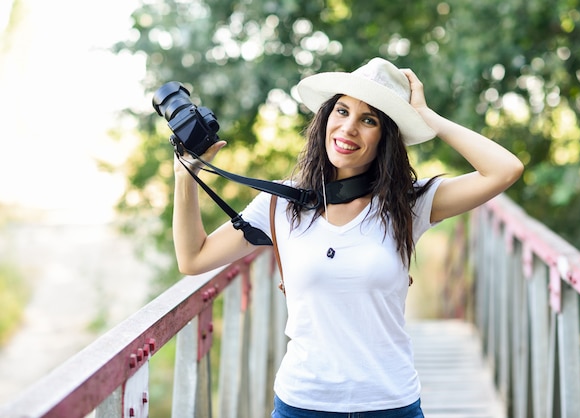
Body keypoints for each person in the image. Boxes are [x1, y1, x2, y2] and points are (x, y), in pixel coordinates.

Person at [172, 57, 524, 417]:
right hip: (302, 404)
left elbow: (505, 169)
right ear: (326, 119)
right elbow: (193, 258)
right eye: (341, 111)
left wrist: (425, 116)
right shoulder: (281, 203)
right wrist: (186, 174)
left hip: (390, 404)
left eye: (368, 120)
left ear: (386, 137)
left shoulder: (409, 203)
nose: (349, 128)